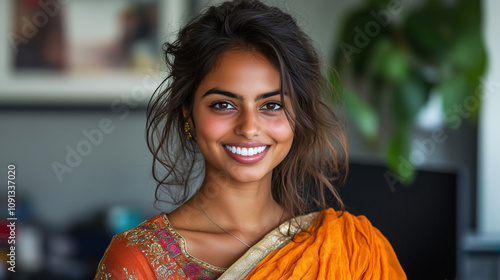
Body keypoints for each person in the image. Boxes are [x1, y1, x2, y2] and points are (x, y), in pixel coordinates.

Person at [95, 0, 406, 279]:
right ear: (189, 112)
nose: (249, 127)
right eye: (224, 105)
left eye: (271, 105)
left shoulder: (351, 251)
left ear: (297, 115)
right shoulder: (137, 261)